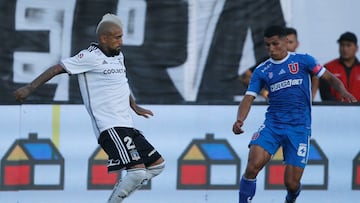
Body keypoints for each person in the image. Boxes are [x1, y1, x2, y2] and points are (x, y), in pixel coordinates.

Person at [13, 13, 165, 203]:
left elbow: (121, 83)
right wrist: (29, 88)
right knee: (137, 173)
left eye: (122, 36)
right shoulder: (89, 57)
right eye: (117, 37)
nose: (121, 41)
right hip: (110, 127)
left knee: (157, 166)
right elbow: (56, 69)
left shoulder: (118, 56)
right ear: (104, 38)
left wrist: (134, 106)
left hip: (127, 124)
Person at [232, 25, 356, 203]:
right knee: (252, 166)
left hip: (298, 129)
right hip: (272, 126)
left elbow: (329, 78)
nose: (271, 49)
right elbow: (248, 98)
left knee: (291, 183)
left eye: (275, 44)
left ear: (286, 42)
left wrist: (342, 90)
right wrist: (240, 120)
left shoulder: (304, 61)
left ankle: (291, 198)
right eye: (267, 45)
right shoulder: (262, 70)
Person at [240, 27, 318, 100]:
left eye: (291, 42)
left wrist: (311, 96)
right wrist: (263, 92)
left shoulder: (303, 61)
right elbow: (245, 76)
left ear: (297, 44)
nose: (288, 46)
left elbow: (316, 75)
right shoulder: (268, 62)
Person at [319, 31, 360, 101]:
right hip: (335, 110)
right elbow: (325, 93)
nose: (344, 49)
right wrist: (338, 107)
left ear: (356, 48)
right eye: (342, 45)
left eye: (348, 45)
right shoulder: (328, 67)